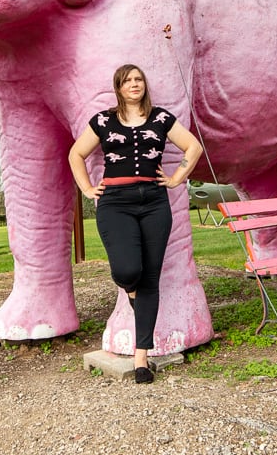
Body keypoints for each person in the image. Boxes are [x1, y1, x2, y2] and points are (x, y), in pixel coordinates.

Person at [69, 64, 203, 384]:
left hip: (154, 202)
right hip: (115, 202)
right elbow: (76, 154)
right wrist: (88, 189)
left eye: (138, 79)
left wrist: (175, 179)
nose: (134, 84)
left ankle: (142, 356)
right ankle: (132, 293)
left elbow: (193, 147)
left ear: (145, 85)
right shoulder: (103, 120)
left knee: (151, 279)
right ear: (118, 87)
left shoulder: (160, 118)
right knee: (128, 271)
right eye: (128, 80)